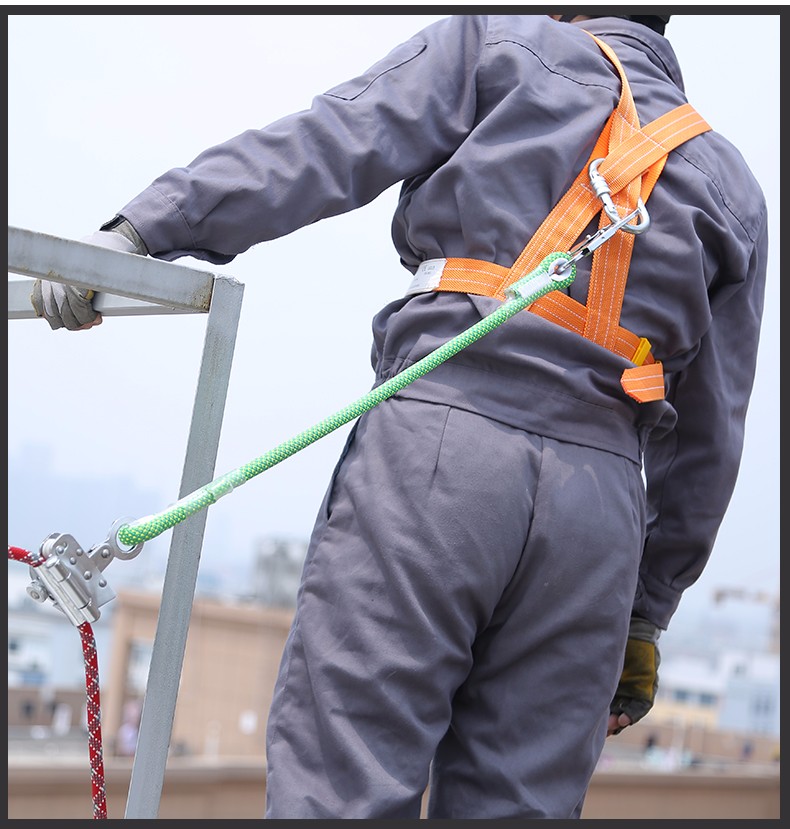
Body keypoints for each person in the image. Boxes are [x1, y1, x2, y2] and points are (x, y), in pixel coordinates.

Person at [30, 14, 768, 819]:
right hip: (598, 516)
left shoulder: (497, 44)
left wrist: (142, 228)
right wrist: (645, 614)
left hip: (445, 451)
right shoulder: (731, 187)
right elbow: (709, 439)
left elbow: (327, 143)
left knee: (343, 787)